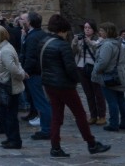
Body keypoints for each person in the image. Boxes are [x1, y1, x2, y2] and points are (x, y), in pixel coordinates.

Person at [41, 14, 111, 158]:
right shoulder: (62, 45)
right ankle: (91, 143)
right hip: (64, 85)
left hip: (49, 84)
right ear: (63, 29)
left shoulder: (43, 42)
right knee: (80, 114)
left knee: (56, 116)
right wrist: (75, 80)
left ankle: (55, 146)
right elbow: (70, 68)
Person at [0, 24, 26, 149]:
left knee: (10, 115)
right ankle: (11, 138)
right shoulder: (4, 48)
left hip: (9, 86)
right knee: (8, 114)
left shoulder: (5, 50)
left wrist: (22, 74)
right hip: (7, 85)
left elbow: (13, 68)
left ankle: (14, 140)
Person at [20, 11, 51, 141]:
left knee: (41, 102)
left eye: (25, 20)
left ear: (30, 22)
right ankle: (46, 128)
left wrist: (25, 71)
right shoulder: (43, 34)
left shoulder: (32, 37)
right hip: (41, 72)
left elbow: (31, 57)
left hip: (34, 74)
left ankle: (47, 129)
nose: (23, 22)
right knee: (43, 101)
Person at [93, 22, 125, 132]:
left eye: (102, 30)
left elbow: (103, 62)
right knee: (121, 99)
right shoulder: (118, 43)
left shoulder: (107, 45)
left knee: (112, 100)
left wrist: (96, 70)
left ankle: (114, 124)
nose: (100, 32)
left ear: (107, 32)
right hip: (119, 73)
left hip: (109, 75)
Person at [71, 20, 106, 125]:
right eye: (85, 27)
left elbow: (98, 51)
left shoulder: (99, 39)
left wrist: (89, 42)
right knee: (88, 93)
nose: (86, 29)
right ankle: (93, 115)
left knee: (98, 93)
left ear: (93, 29)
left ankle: (102, 116)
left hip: (94, 67)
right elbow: (73, 52)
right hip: (81, 67)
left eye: (89, 28)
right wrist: (74, 42)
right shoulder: (80, 39)